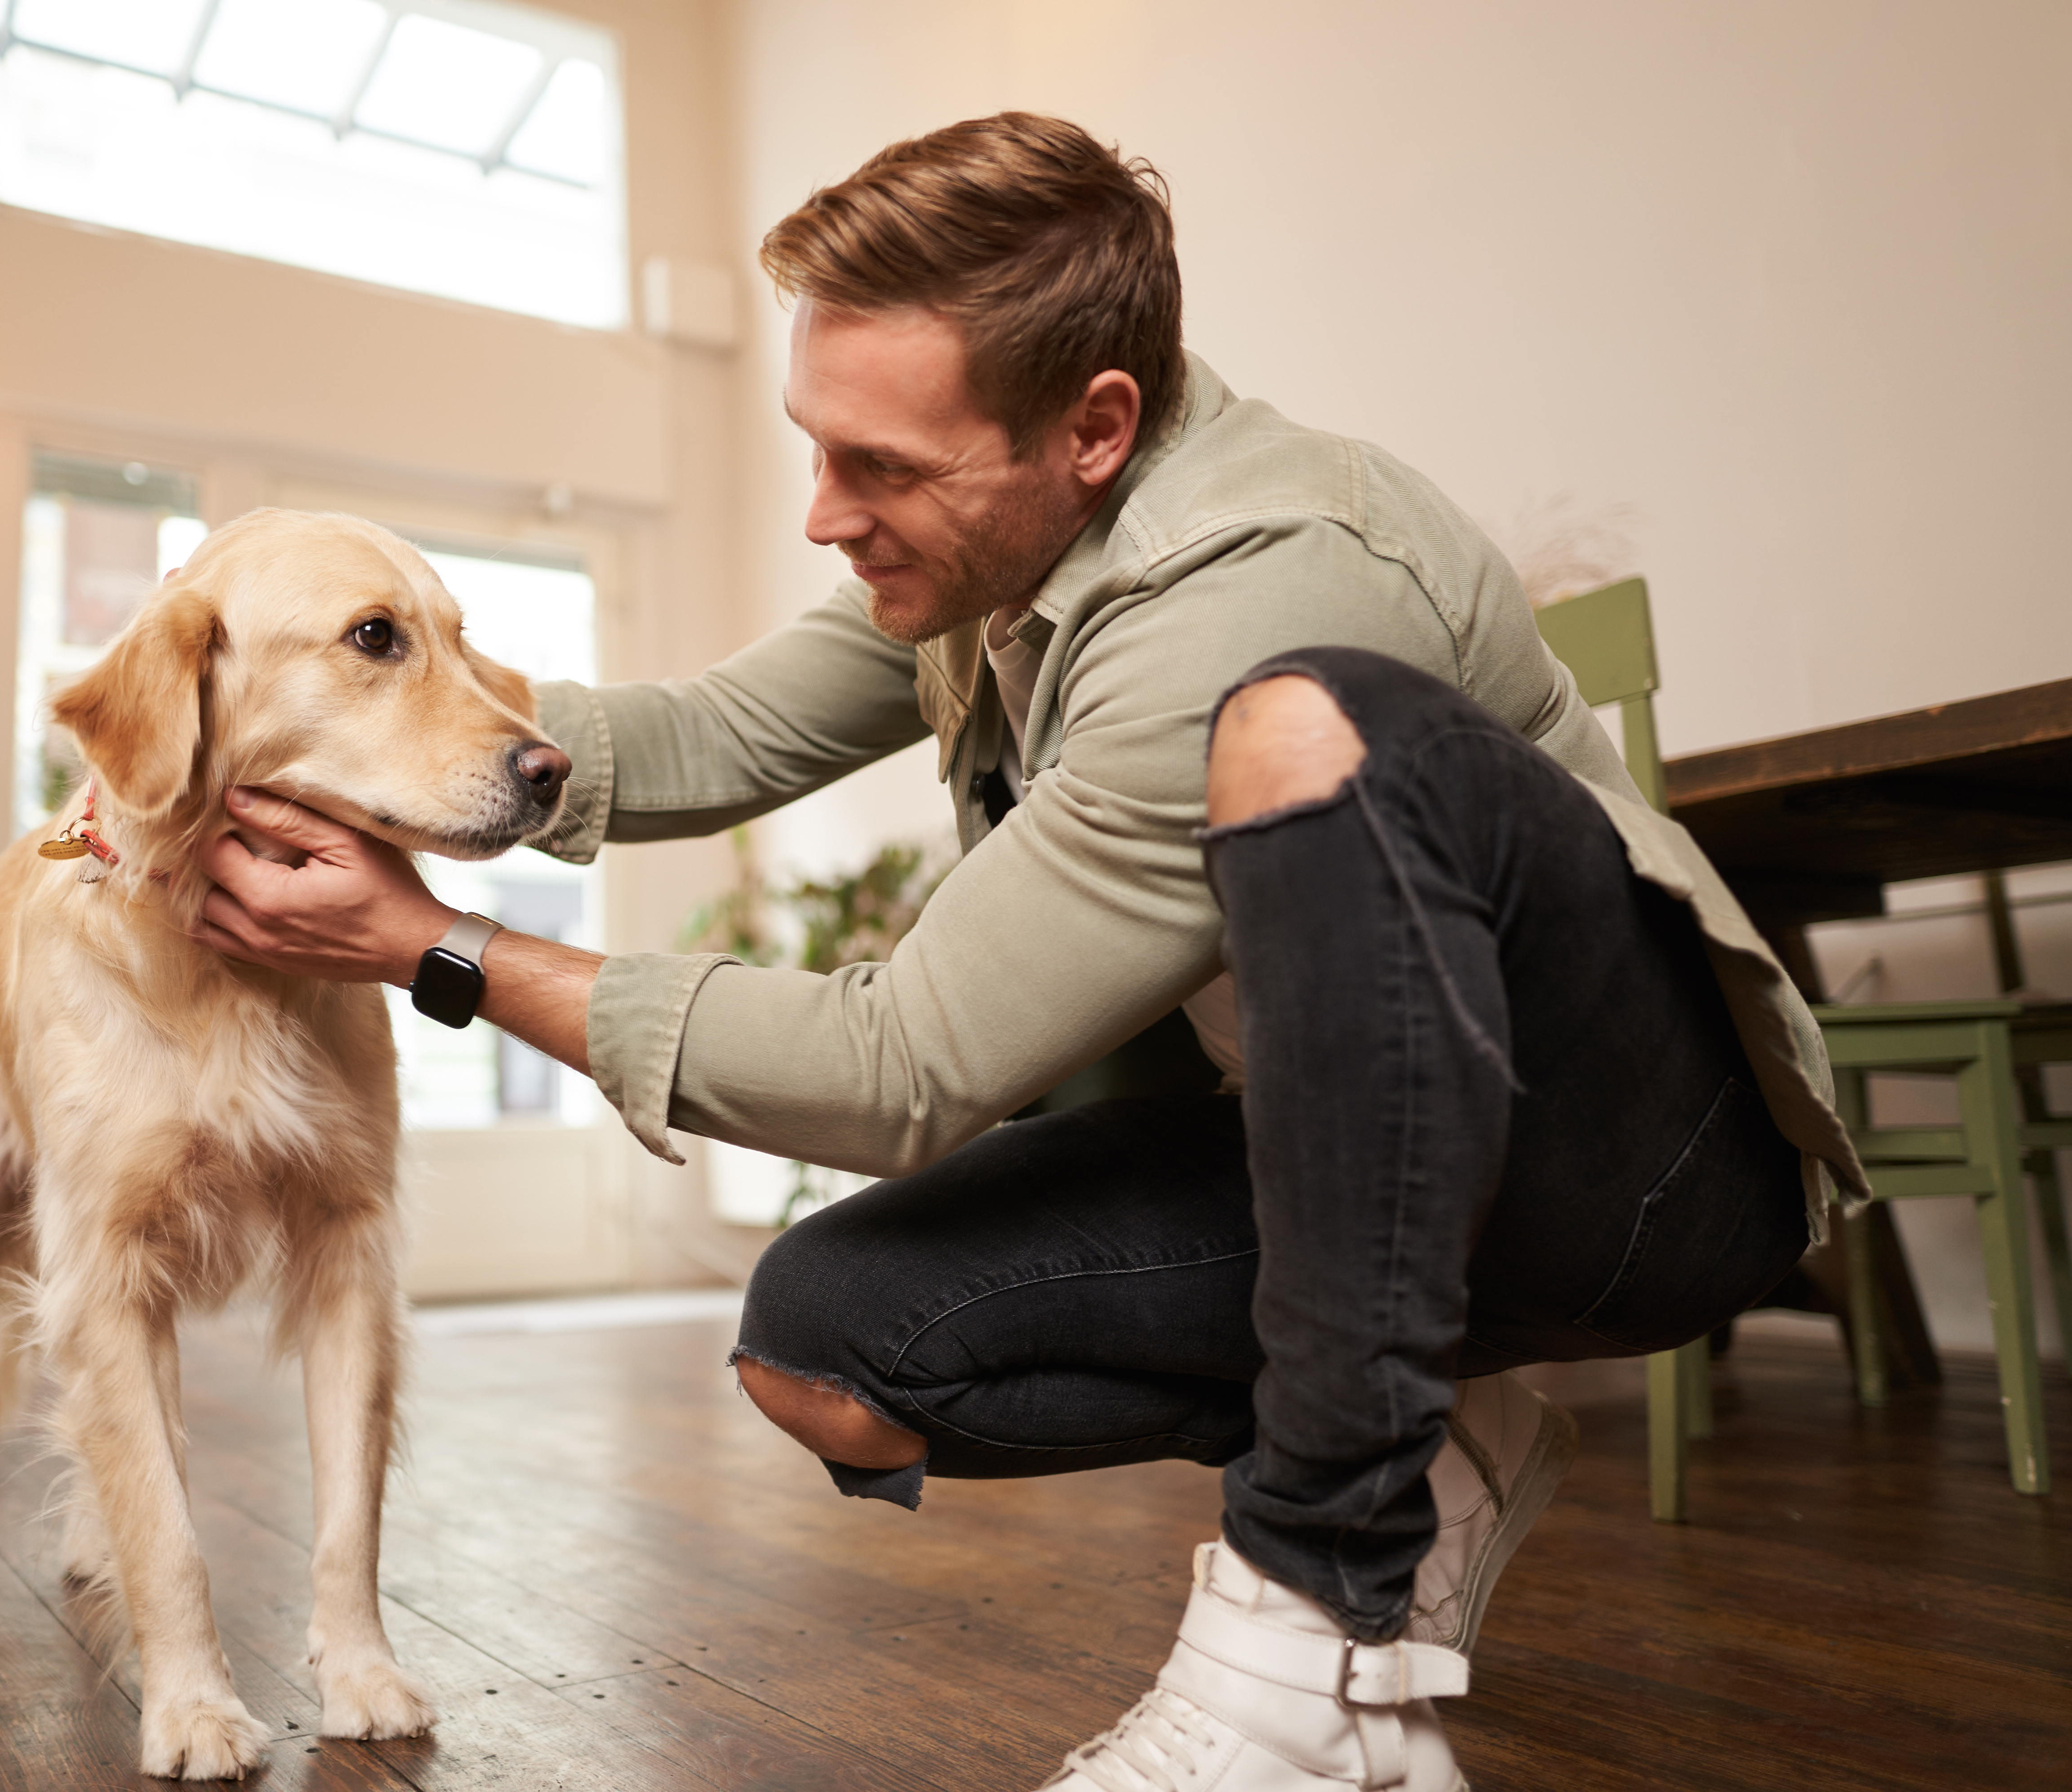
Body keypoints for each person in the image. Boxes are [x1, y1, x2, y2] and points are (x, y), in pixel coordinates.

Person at [186, 114, 1862, 1792]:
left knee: (1302, 719)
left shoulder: (1270, 574)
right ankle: (1432, 1431)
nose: (828, 516)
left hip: (1636, 1181)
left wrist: (438, 948)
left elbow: (897, 1066)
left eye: (885, 471)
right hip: (1337, 1165)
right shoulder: (997, 543)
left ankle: (1315, 1638)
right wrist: (371, 736)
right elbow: (707, 734)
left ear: (1095, 427)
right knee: (827, 1349)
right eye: (817, 448)